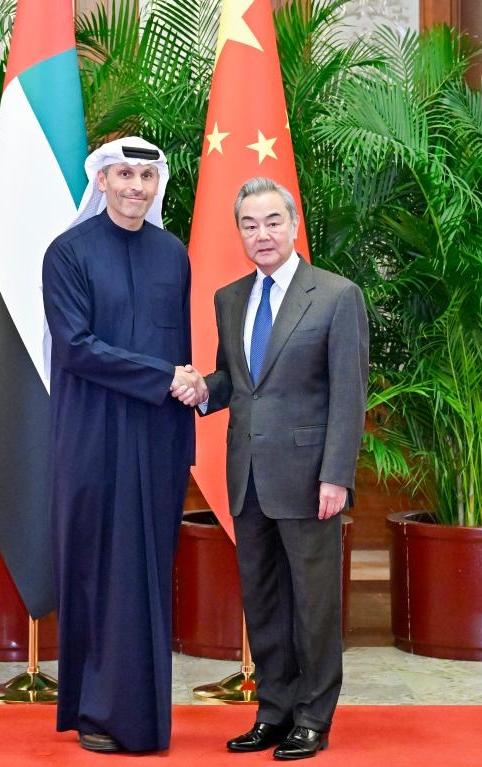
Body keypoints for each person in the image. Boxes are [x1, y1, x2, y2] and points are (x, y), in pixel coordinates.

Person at [176, 177, 368, 760]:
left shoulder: (336, 296)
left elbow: (349, 394)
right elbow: (235, 381)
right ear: (239, 233)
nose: (261, 235)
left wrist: (336, 474)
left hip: (311, 480)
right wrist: (199, 390)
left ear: (293, 225)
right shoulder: (230, 297)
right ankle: (274, 712)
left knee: (313, 604)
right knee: (262, 602)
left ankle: (314, 716)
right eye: (250, 225)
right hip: (247, 477)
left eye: (272, 222)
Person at [42, 136, 207, 754]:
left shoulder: (173, 255)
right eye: (125, 175)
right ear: (103, 181)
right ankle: (94, 711)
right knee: (95, 568)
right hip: (90, 436)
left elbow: (182, 351)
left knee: (145, 573)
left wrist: (186, 390)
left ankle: (140, 713)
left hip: (158, 442)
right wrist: (164, 378)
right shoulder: (68, 253)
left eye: (147, 176)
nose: (137, 186)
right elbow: (77, 347)